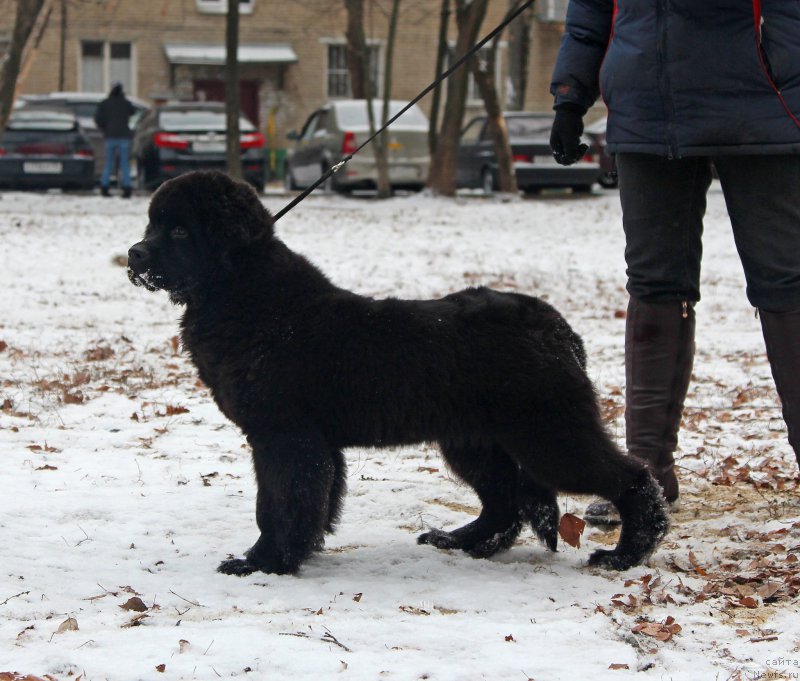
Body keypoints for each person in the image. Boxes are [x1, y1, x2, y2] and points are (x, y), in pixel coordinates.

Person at [548, 1, 800, 524]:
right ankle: (646, 472)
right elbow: (591, 11)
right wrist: (570, 96)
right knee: (654, 285)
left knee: (786, 284)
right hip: (646, 110)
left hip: (761, 106)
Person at [94, 81, 136, 198]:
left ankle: (104, 186)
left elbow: (98, 119)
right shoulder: (125, 103)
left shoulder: (105, 103)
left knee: (108, 163)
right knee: (124, 164)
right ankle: (127, 188)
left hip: (110, 136)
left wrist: (104, 129)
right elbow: (133, 111)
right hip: (124, 136)